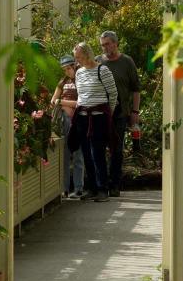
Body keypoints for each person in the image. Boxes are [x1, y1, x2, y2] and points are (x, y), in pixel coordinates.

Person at [67, 42, 118, 203]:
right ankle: (92, 188)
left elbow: (113, 93)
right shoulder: (79, 72)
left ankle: (103, 189)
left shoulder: (102, 70)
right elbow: (81, 95)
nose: (76, 61)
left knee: (97, 153)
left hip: (98, 117)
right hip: (82, 116)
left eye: (78, 57)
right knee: (86, 153)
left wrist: (107, 113)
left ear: (87, 55)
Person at [95, 30, 140, 197]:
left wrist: (135, 111)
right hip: (100, 112)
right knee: (98, 150)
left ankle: (115, 185)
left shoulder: (127, 62)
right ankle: (101, 186)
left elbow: (136, 88)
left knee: (117, 150)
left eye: (107, 44)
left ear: (115, 43)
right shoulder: (98, 61)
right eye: (102, 45)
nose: (105, 47)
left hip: (120, 114)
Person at [50, 55, 84, 199]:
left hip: (78, 118)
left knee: (78, 155)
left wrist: (63, 103)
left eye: (69, 68)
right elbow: (53, 101)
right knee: (63, 155)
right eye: (64, 70)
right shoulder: (62, 82)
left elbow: (81, 102)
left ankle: (78, 188)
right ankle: (63, 189)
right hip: (64, 120)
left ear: (75, 66)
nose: (67, 72)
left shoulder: (82, 80)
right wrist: (64, 106)